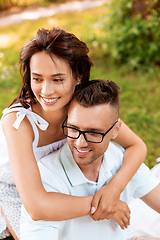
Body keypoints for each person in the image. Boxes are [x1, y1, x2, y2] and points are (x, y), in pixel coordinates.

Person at [0, 27, 147, 240]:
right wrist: (105, 205)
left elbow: (137, 146)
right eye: (37, 79)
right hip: (16, 192)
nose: (46, 91)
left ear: (78, 76)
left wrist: (114, 190)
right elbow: (36, 207)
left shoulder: (80, 109)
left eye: (57, 79)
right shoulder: (18, 121)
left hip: (60, 183)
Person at [20, 79, 160, 240]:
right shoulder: (46, 179)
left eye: (94, 133)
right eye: (73, 128)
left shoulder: (122, 161)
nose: (80, 143)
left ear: (115, 131)